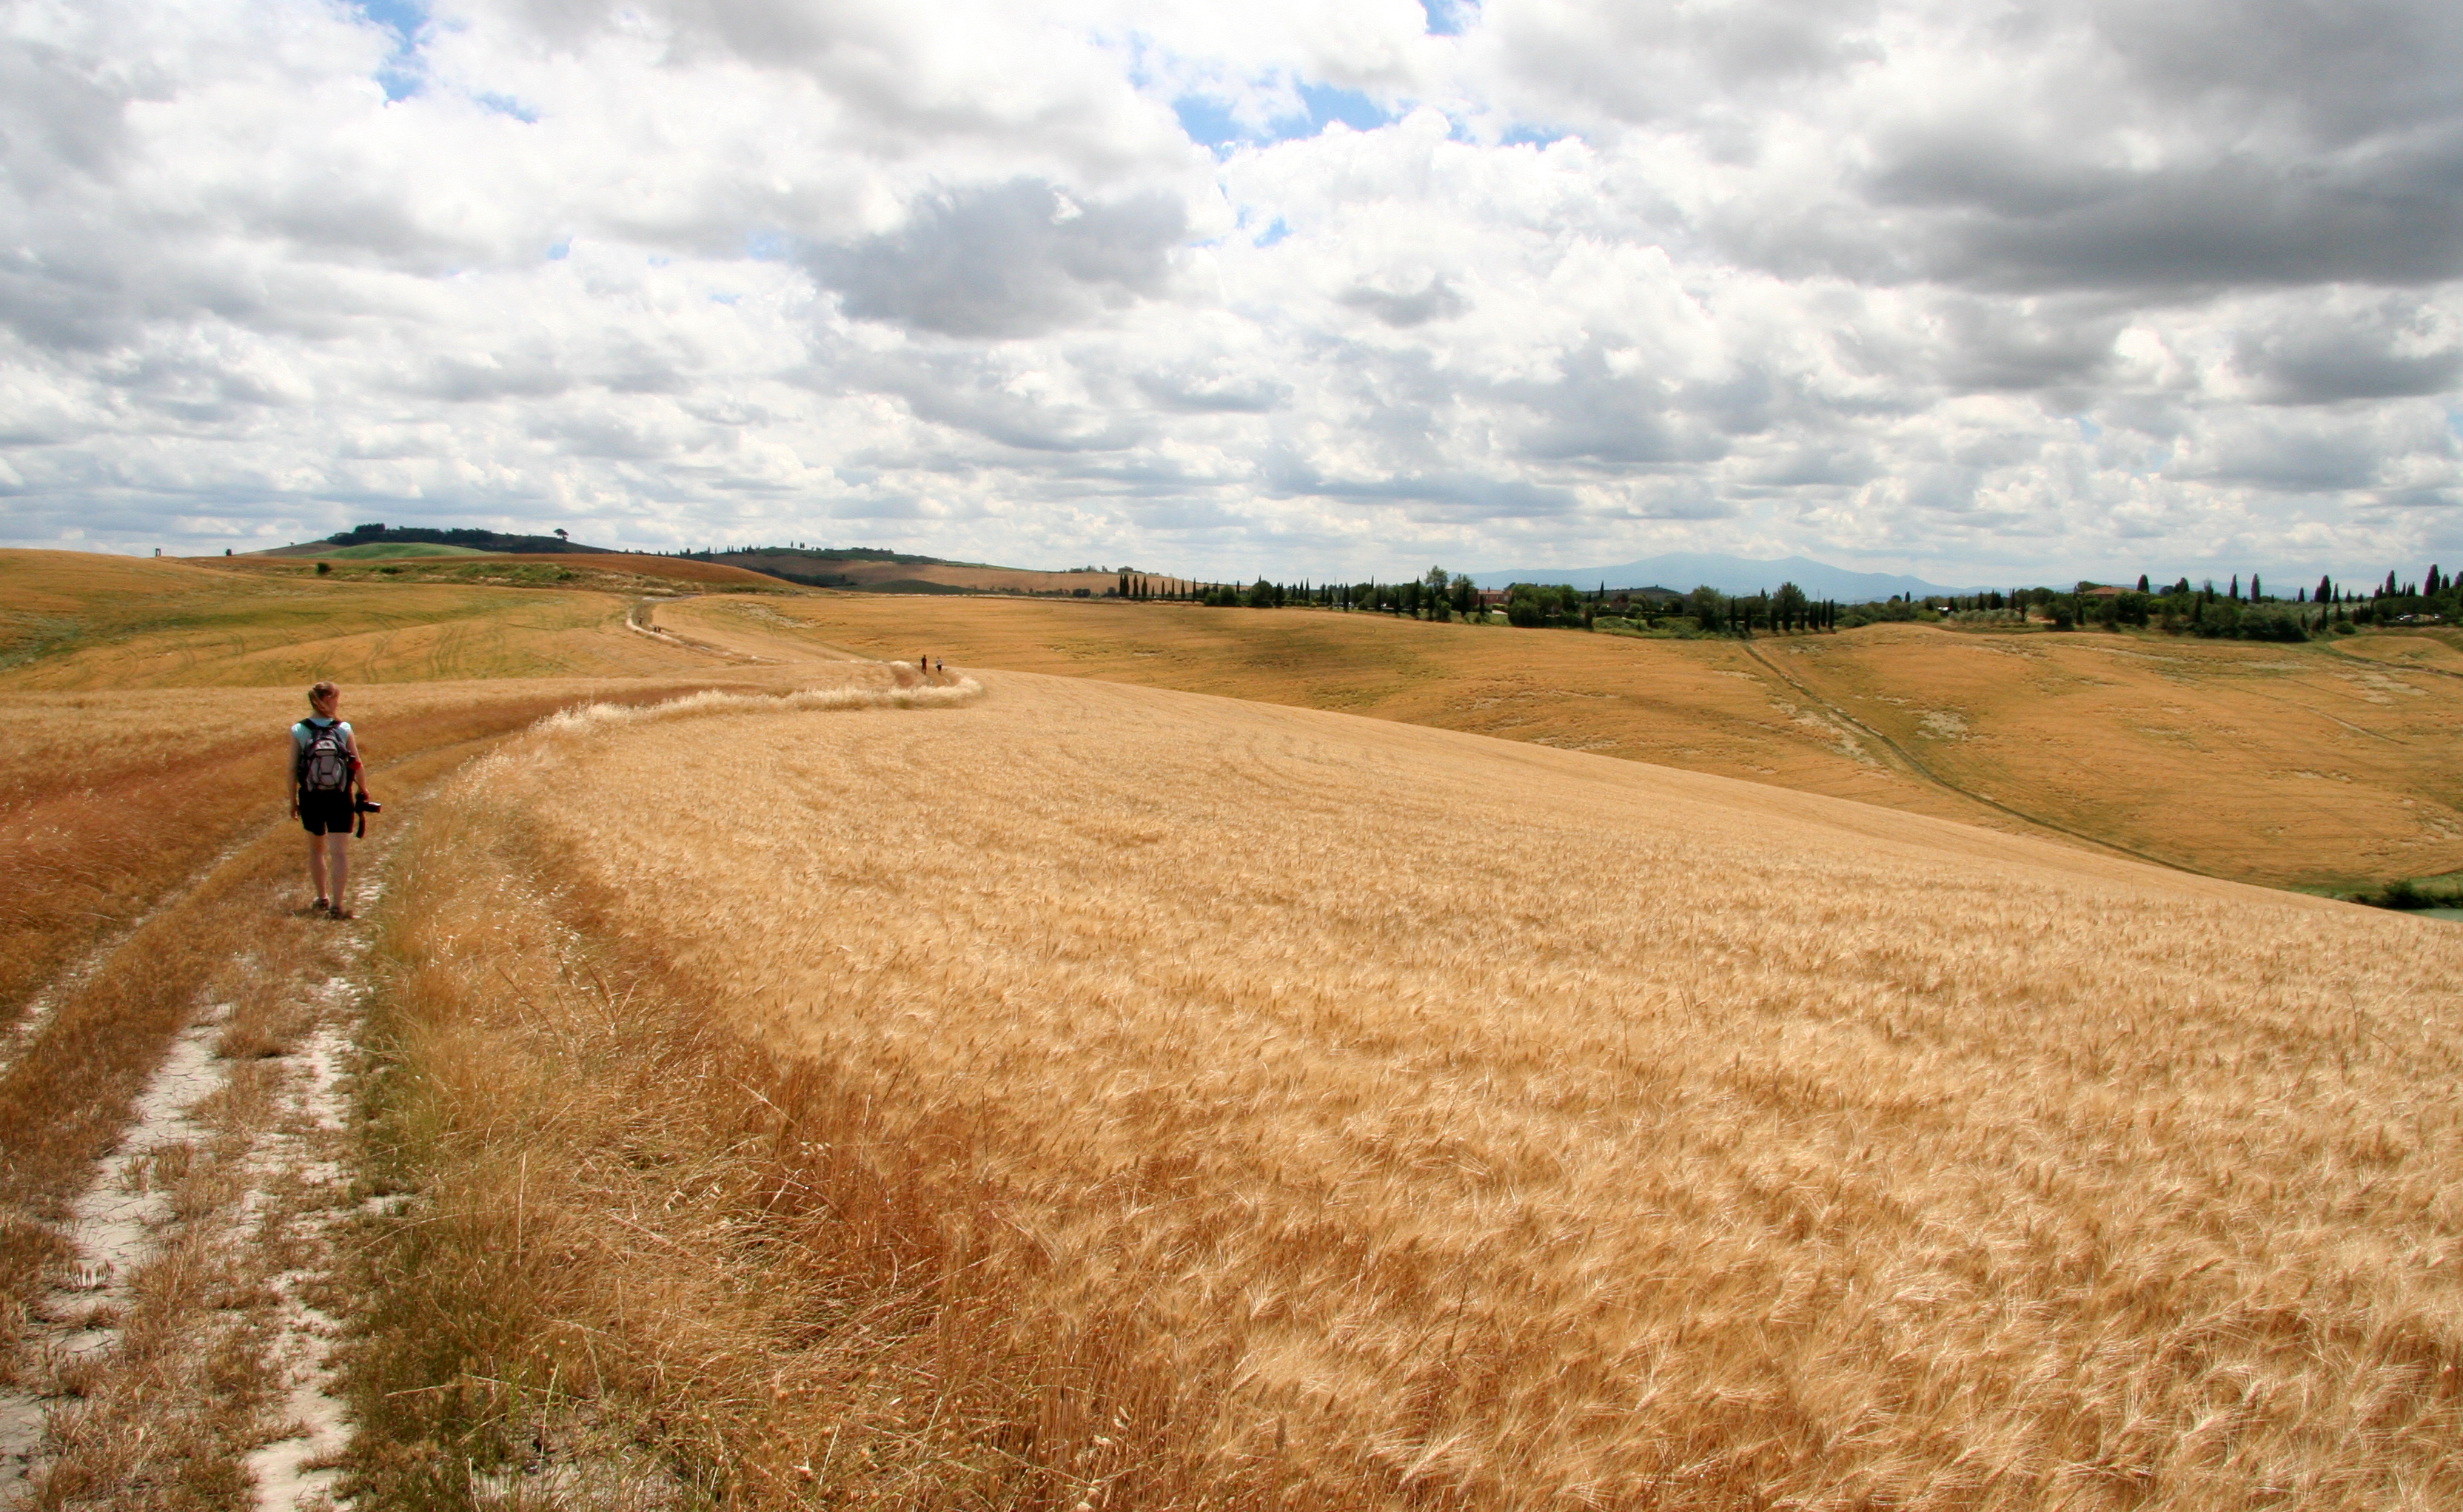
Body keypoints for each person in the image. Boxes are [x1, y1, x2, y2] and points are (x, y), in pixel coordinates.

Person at [290, 682, 367, 918]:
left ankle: (322, 897)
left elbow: (292, 769)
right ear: (330, 699)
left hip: (311, 797)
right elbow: (357, 763)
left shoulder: (299, 730)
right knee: (339, 853)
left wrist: (292, 800)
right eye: (336, 699)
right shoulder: (343, 728)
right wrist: (363, 789)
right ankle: (337, 905)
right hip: (340, 796)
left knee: (316, 850)